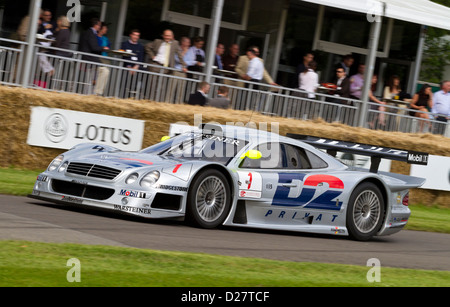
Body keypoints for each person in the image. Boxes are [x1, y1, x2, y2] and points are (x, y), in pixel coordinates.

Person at [78, 18, 110, 95]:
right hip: (89, 59)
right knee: (105, 71)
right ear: (96, 25)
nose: (100, 27)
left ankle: (96, 92)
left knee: (104, 70)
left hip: (88, 58)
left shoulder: (88, 32)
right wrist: (103, 48)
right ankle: (97, 93)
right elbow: (94, 48)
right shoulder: (91, 34)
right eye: (99, 25)